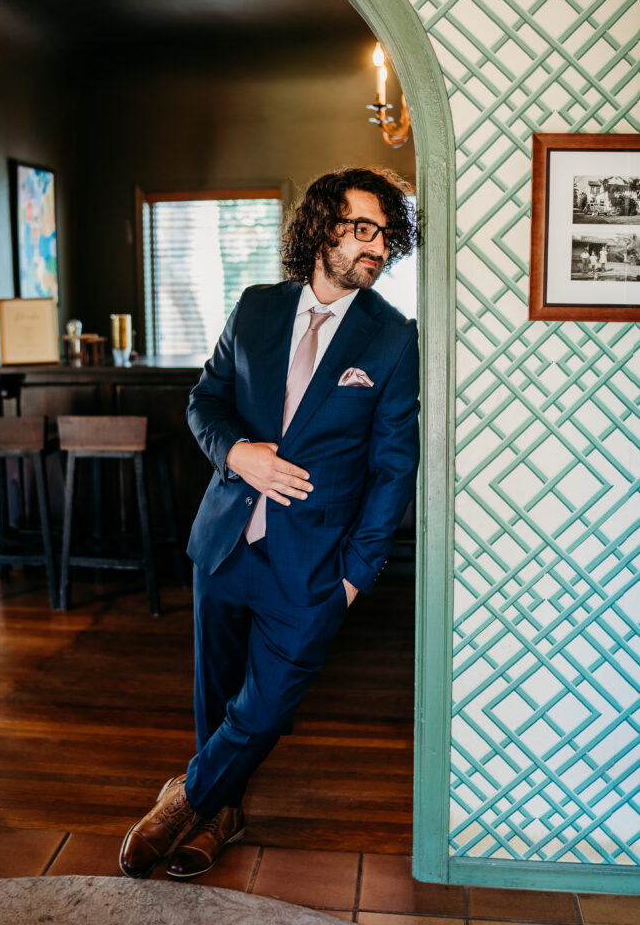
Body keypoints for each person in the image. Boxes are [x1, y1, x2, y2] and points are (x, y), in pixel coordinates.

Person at [119, 167, 420, 881]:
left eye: (385, 234)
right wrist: (238, 453)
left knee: (266, 701)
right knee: (217, 696)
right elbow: (204, 403)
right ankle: (222, 814)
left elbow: (393, 470)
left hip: (314, 566)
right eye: (360, 229)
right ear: (320, 229)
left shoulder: (390, 338)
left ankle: (182, 798)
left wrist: (355, 576)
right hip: (224, 543)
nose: (376, 248)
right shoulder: (254, 308)